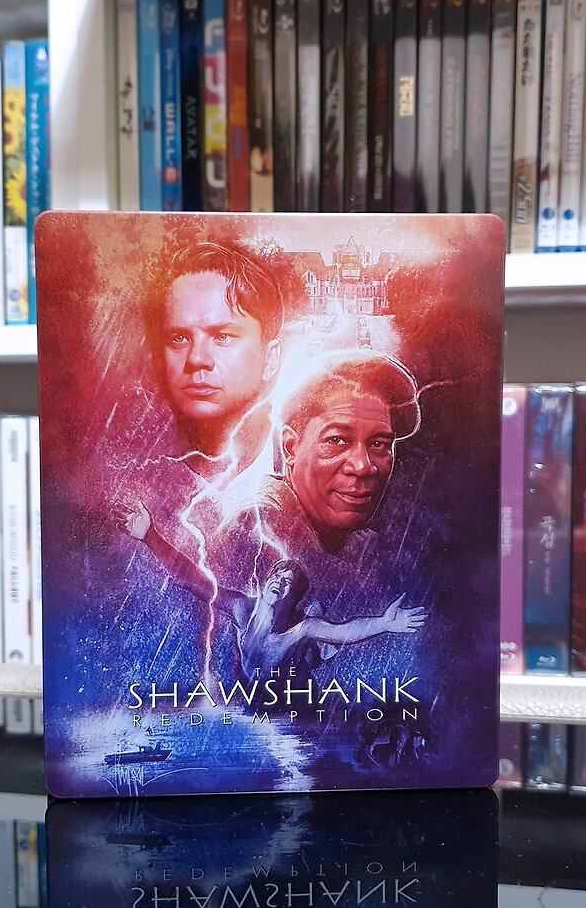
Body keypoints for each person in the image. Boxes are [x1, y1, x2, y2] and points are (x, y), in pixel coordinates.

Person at [112, 499, 427, 679]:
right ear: (264, 585)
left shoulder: (302, 628)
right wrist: (150, 536)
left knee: (318, 648)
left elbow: (345, 632)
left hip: (288, 682)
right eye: (277, 575)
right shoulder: (242, 608)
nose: (281, 581)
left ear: (294, 599)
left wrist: (384, 624)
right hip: (252, 682)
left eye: (289, 583)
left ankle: (318, 654)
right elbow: (191, 578)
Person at [243, 350, 420, 560]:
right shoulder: (250, 537)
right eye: (337, 440)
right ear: (290, 447)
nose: (363, 466)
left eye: (378, 444)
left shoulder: (364, 549)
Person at [143, 241, 285, 479]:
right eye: (179, 338)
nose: (196, 358)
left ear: (270, 358)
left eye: (222, 337)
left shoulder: (306, 475)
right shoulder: (133, 479)